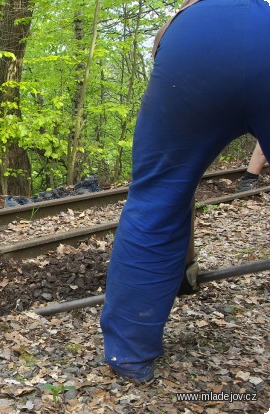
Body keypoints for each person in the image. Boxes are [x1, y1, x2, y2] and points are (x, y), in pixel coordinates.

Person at [100, 0, 270, 383]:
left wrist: (182, 264)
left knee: (157, 198)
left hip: (193, 43)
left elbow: (162, 41)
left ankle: (129, 353)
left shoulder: (189, 11)